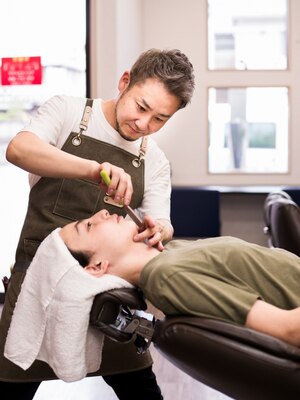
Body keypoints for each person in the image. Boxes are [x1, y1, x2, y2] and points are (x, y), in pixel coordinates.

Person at [1, 48, 195, 400]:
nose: (144, 124)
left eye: (160, 119)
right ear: (124, 82)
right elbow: (18, 149)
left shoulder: (154, 160)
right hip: (35, 289)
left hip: (106, 301)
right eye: (141, 106)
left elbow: (163, 223)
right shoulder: (69, 112)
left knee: (141, 390)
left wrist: (158, 230)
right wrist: (93, 170)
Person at [59, 209, 300, 348]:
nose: (101, 212)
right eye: (89, 226)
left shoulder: (171, 252)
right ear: (97, 266)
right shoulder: (166, 276)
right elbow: (288, 329)